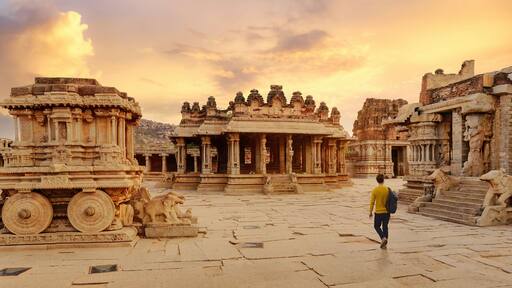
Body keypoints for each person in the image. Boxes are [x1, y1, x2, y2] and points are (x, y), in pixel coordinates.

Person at [369, 173, 390, 249]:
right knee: (385, 227)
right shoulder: (387, 189)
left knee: (376, 226)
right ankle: (385, 240)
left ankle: (382, 238)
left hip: (378, 212)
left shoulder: (375, 190)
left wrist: (370, 212)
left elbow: (372, 202)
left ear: (377, 181)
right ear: (383, 180)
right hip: (386, 212)